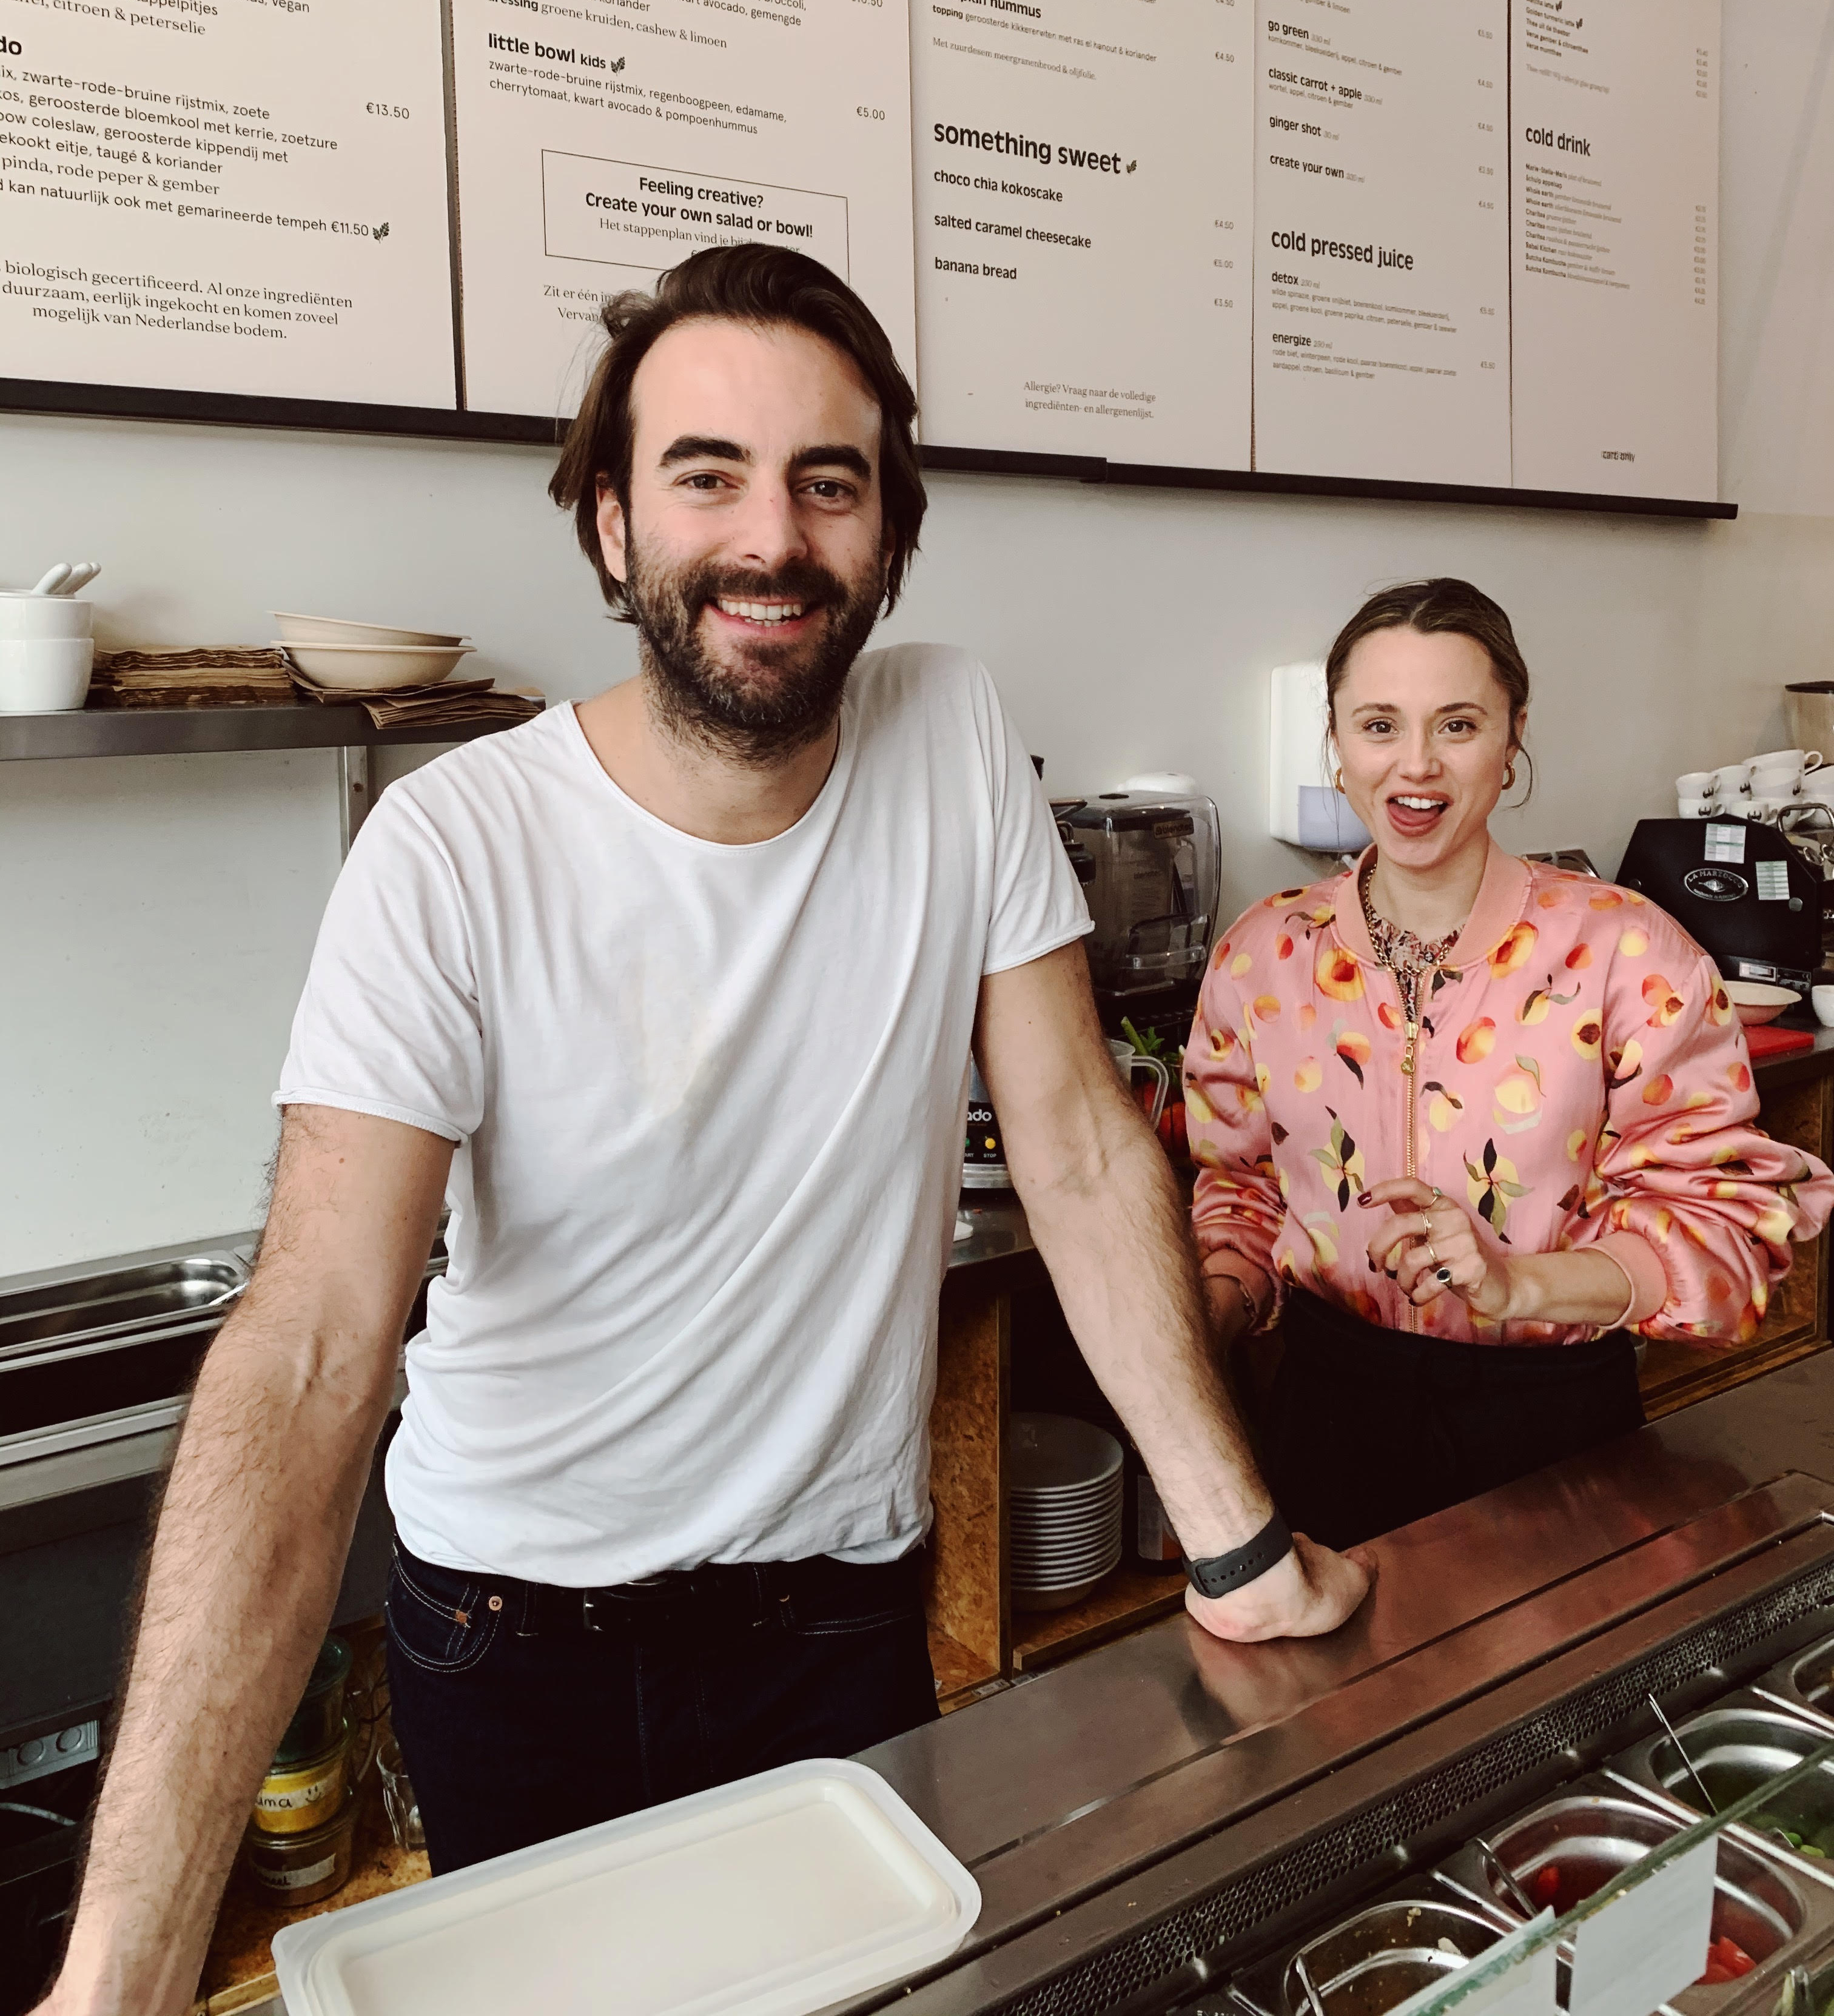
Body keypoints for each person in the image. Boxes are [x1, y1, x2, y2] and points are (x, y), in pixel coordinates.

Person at [39, 246, 1367, 2016]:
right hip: (517, 1636)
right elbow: (312, 1347)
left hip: (837, 1621)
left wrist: (1241, 1549)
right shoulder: (451, 855)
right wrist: (118, 1978)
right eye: (706, 475)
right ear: (609, 526)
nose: (773, 537)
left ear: (890, 531)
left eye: (832, 482)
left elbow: (1075, 1143)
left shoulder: (953, 734)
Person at [1186, 576, 1834, 1551]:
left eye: (1457, 725)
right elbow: (1241, 1186)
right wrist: (1213, 1311)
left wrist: (1519, 1284)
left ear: (1512, 736)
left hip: (1552, 1426)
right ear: (1335, 739)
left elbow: (1727, 1225)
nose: (1416, 766)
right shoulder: (1265, 954)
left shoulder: (1624, 952)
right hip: (1326, 1418)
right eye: (1378, 725)